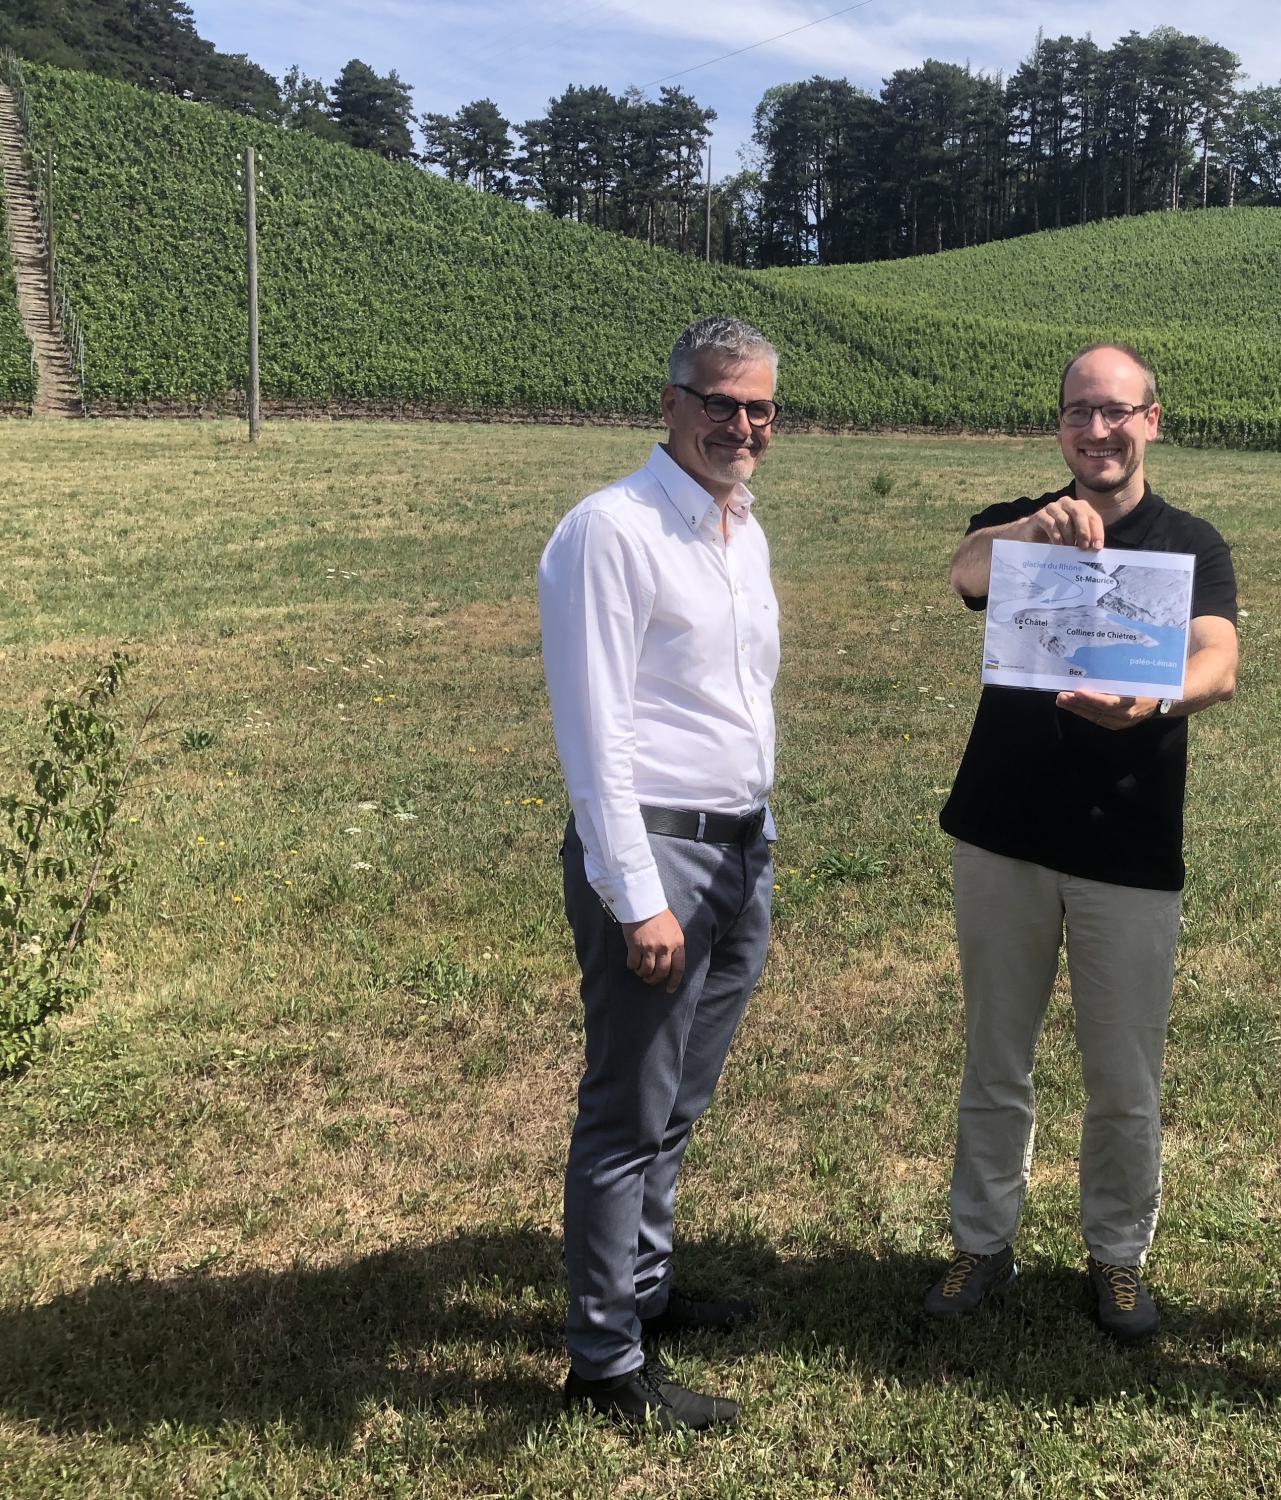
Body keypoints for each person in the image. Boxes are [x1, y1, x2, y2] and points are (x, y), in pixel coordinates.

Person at [923, 343, 1240, 1345]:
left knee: (1123, 1075)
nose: (1096, 432)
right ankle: (981, 1240)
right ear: (1058, 426)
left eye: (1116, 412)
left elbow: (1219, 661)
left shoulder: (1190, 543)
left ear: (1152, 420)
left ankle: (1117, 1258)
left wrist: (1151, 701)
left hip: (1128, 841)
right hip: (1004, 830)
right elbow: (964, 574)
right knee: (994, 1058)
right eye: (1077, 413)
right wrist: (1034, 529)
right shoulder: (1013, 527)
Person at [537, 316, 785, 1432]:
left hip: (740, 848)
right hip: (659, 856)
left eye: (760, 408)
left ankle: (642, 1293)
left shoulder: (740, 530)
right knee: (626, 1111)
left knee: (679, 1101)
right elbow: (594, 735)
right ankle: (602, 1362)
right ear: (671, 403)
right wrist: (636, 894)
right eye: (719, 402)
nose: (740, 425)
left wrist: (758, 830)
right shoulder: (611, 532)